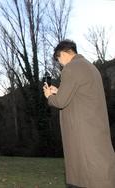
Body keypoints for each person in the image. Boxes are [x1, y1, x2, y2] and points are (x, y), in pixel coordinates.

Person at [43, 39, 115, 188]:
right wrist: (59, 91)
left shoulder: (71, 68)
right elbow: (80, 95)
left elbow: (60, 102)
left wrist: (50, 96)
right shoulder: (90, 67)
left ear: (63, 53)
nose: (60, 63)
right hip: (95, 128)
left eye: (58, 59)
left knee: (84, 175)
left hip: (82, 134)